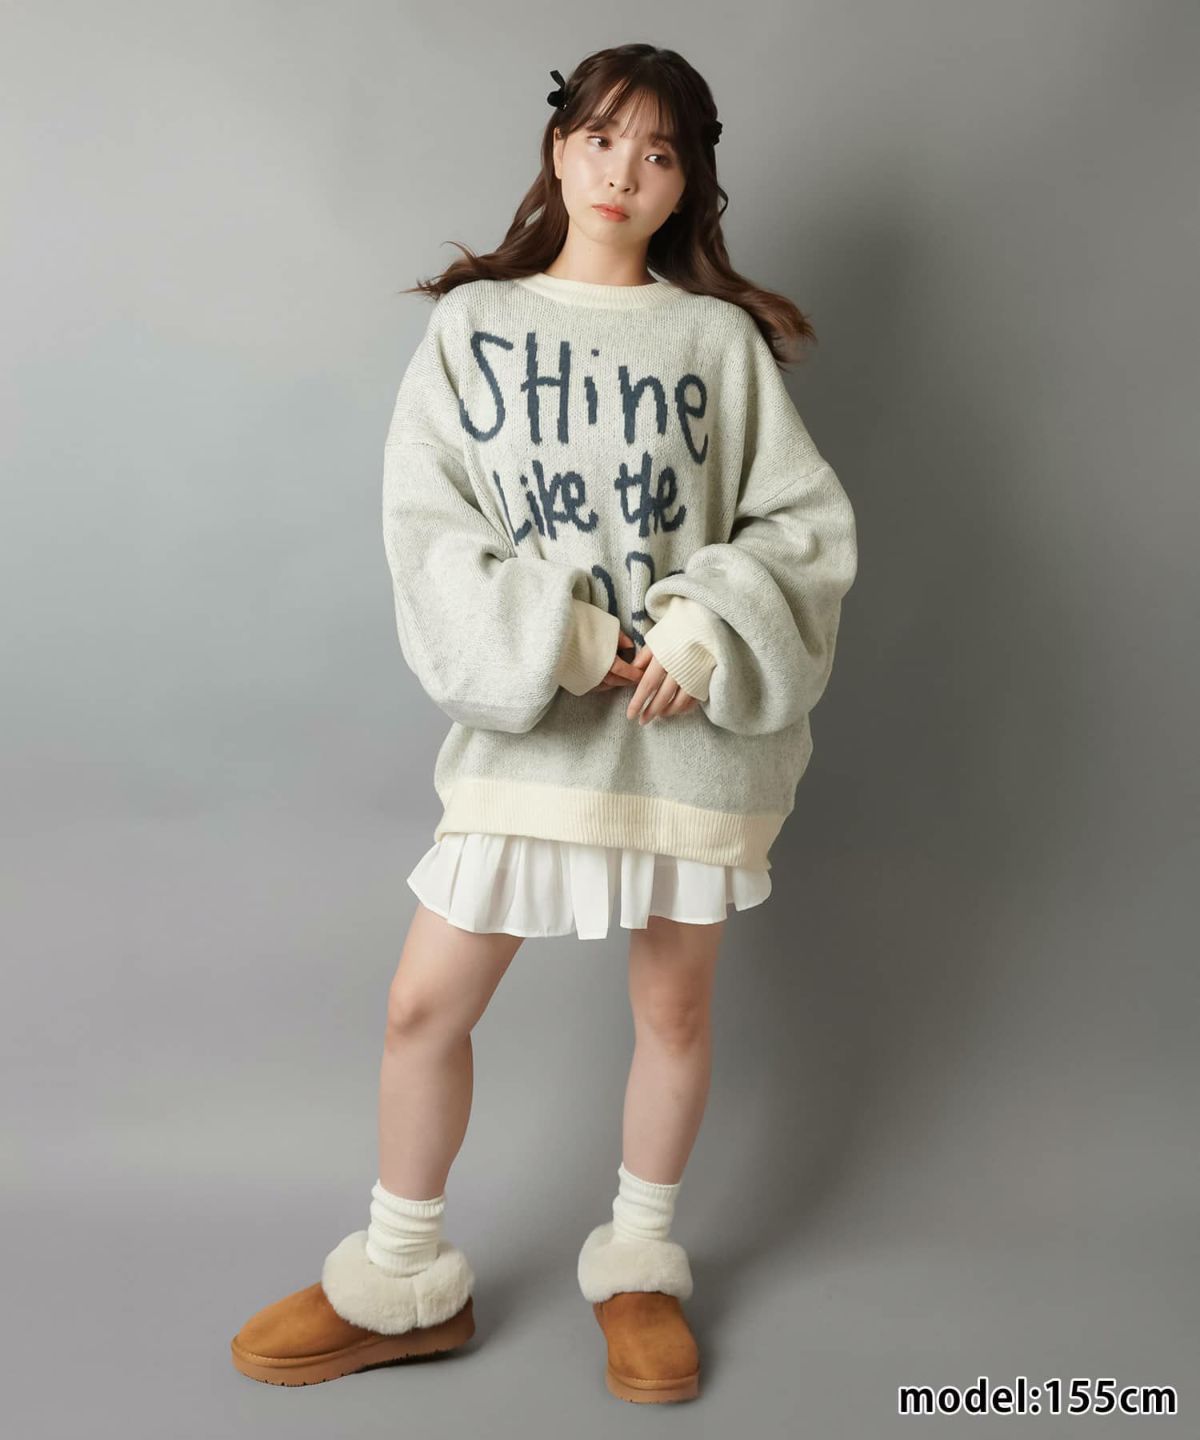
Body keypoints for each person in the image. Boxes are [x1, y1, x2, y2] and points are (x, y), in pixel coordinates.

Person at [230, 42, 858, 1404]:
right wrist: (565, 639)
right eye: (602, 137)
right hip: (536, 736)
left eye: (659, 151)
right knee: (423, 1007)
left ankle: (638, 1270)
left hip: (688, 745)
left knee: (673, 1011)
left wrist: (705, 626)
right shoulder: (475, 329)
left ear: (689, 184)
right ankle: (404, 1278)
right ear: (560, 148)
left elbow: (801, 526)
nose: (624, 170)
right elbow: (428, 528)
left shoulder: (716, 342)